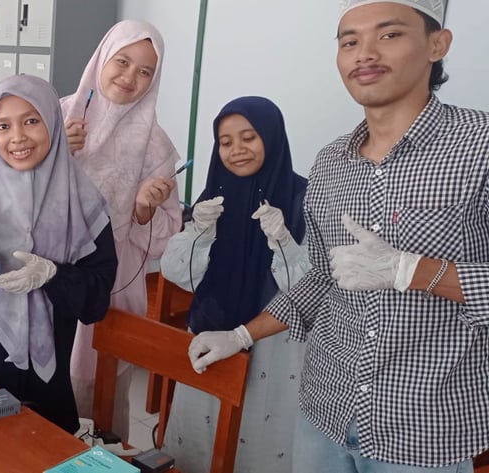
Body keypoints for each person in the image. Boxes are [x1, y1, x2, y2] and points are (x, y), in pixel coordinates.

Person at [189, 1, 489, 471]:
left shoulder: (480, 146)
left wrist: (412, 271)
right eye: (349, 41)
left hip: (422, 426)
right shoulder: (331, 164)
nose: (364, 53)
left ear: (437, 44)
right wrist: (242, 334)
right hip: (324, 411)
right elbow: (323, 281)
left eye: (388, 35)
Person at [0, 74, 118, 434]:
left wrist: (52, 274)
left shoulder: (85, 205)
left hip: (44, 383)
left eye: (31, 121)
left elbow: (95, 301)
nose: (17, 137)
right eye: (3, 126)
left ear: (53, 124)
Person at [159, 96, 308, 472]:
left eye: (249, 138)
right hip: (211, 335)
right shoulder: (214, 197)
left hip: (273, 344)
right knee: (199, 445)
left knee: (258, 443)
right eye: (226, 142)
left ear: (272, 139)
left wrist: (283, 241)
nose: (236, 150)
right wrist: (199, 231)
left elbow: (305, 290)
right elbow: (183, 276)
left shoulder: (301, 199)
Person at [60, 19, 183, 437]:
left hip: (111, 286)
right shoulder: (58, 117)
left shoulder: (158, 146)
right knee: (42, 396)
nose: (131, 77)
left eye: (146, 71)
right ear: (102, 58)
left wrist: (145, 210)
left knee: (103, 407)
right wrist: (55, 151)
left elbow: (167, 233)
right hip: (47, 276)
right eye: (123, 61)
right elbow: (10, 189)